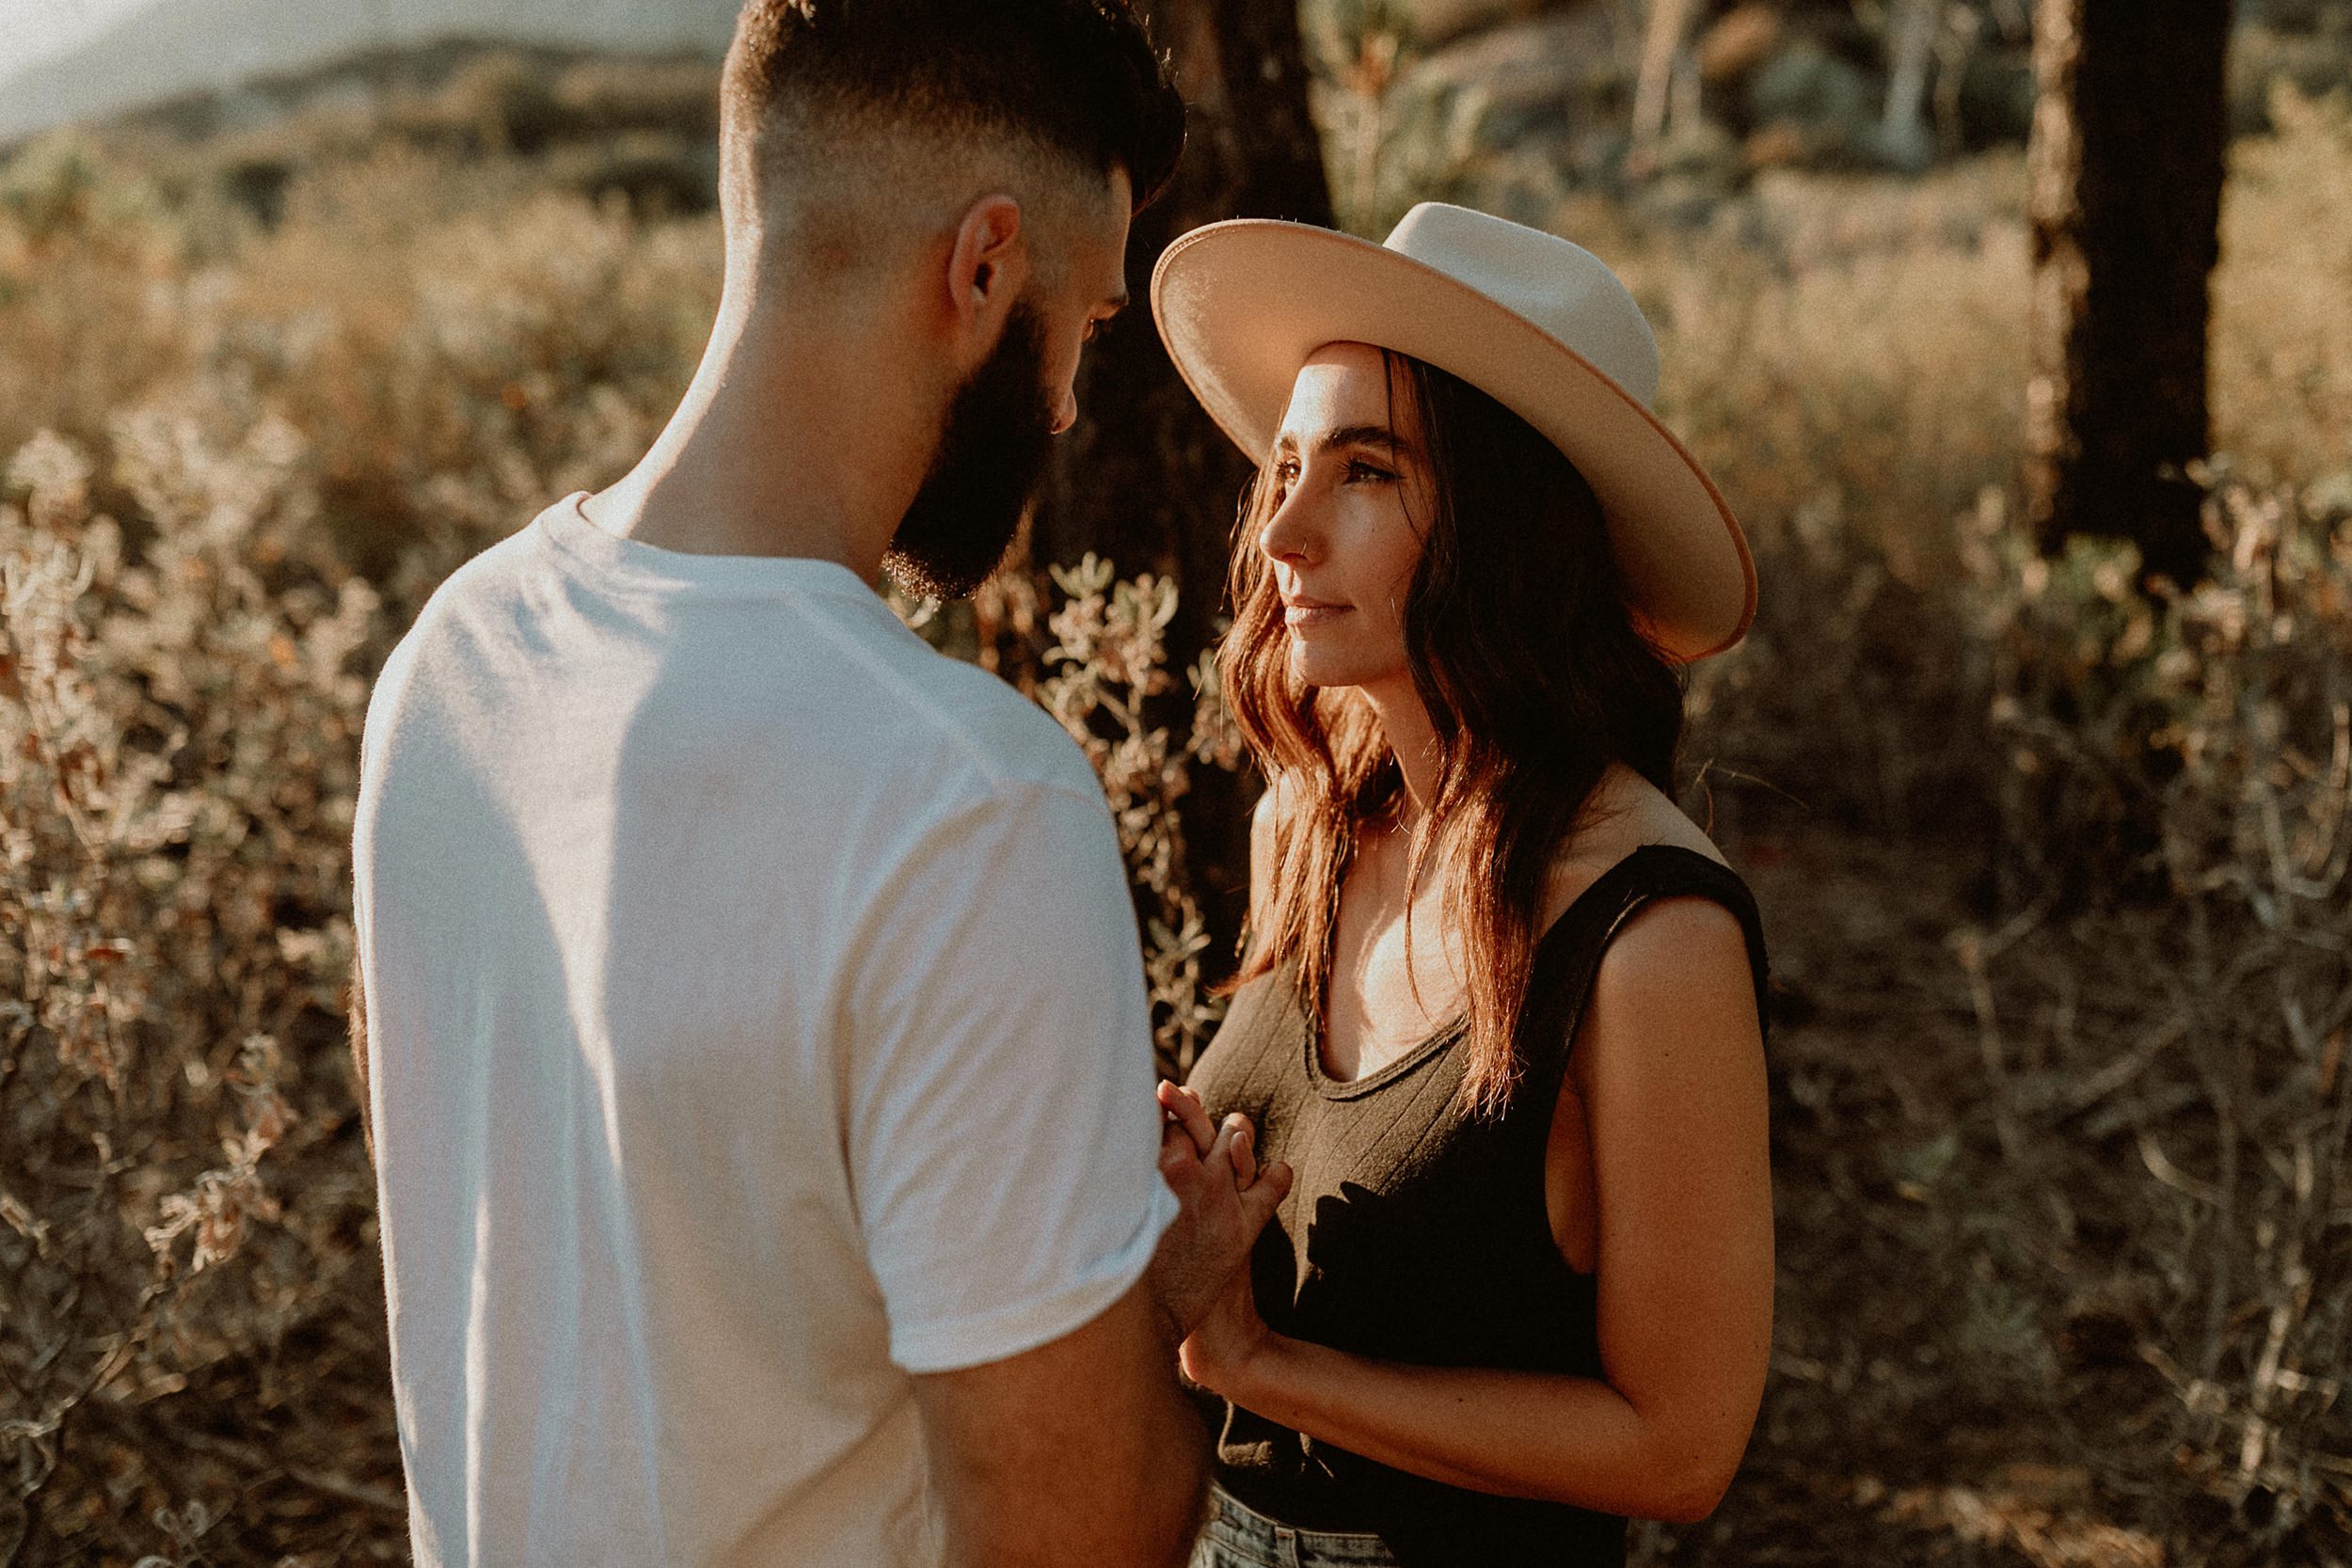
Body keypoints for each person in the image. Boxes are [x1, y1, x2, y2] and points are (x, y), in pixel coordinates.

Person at [346, 5, 1277, 1564]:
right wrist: (1138, 1317)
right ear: (982, 266)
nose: (1065, 406)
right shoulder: (967, 803)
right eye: (1087, 324)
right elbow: (1077, 1534)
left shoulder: (452, 662)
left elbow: (537, 1218)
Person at [1145, 202, 1776, 1567]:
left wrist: (1259, 1364)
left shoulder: (1649, 937)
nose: (1283, 532)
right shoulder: (1303, 829)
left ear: (1509, 526)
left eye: (1365, 471)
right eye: (1287, 467)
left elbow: (1679, 1447)